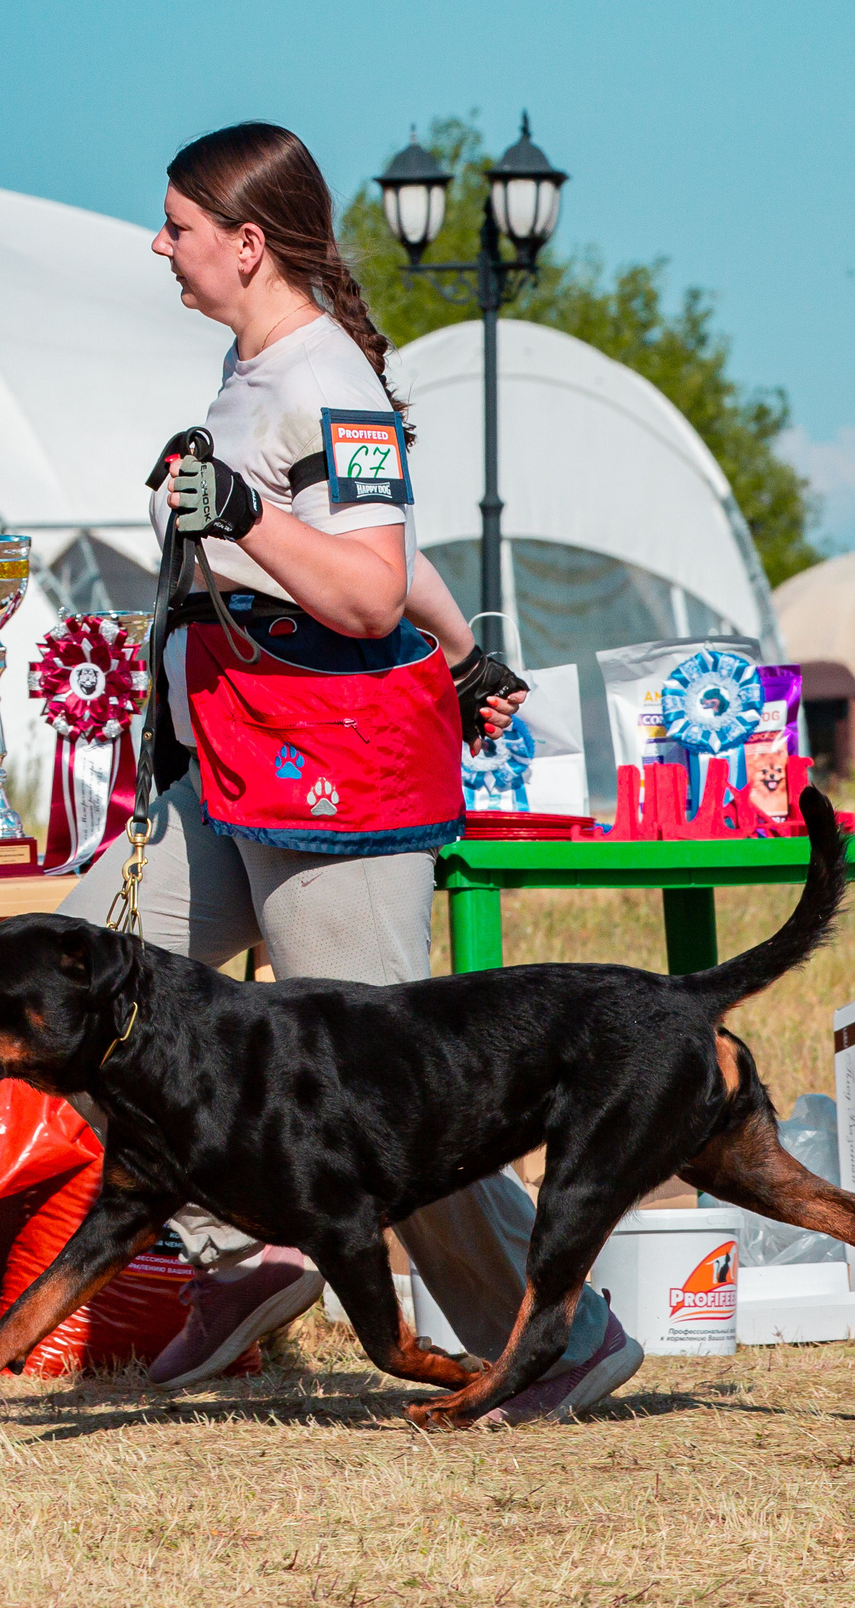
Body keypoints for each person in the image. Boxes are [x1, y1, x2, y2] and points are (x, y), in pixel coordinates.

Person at [58, 122, 641, 1424]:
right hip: (228, 774)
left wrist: (246, 515)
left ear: (248, 241)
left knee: (387, 1104)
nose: (160, 246)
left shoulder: (332, 385)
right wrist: (470, 645)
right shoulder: (252, 363)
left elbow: (366, 584)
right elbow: (397, 569)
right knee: (75, 978)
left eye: (178, 226)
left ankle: (561, 1337)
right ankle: (248, 1245)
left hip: (328, 790)